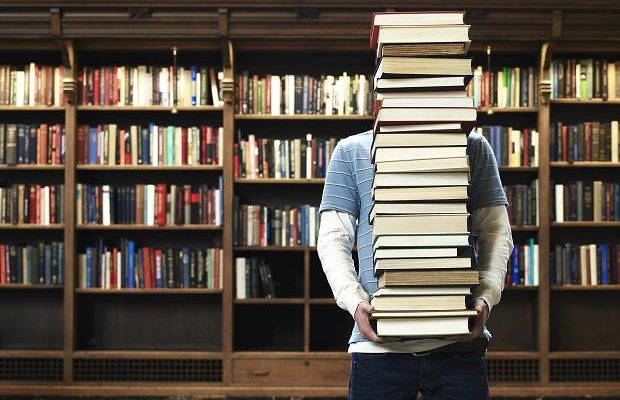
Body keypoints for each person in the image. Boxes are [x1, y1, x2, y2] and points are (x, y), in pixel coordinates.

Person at [317, 129, 514, 400]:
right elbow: (332, 240)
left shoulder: (474, 146)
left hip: (459, 344)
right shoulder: (351, 150)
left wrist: (485, 298)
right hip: (378, 346)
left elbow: (496, 232)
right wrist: (354, 301)